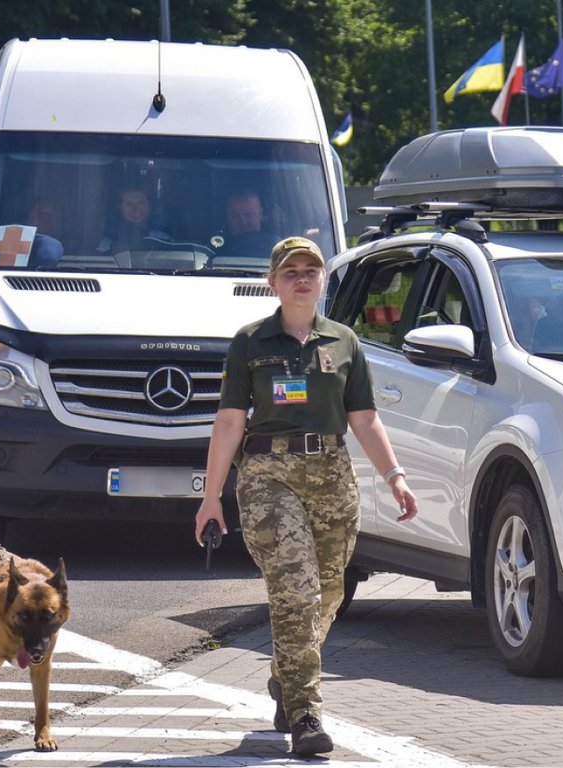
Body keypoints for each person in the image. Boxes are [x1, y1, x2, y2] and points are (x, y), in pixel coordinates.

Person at [194, 236, 417, 757]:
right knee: (295, 591)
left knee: (329, 593)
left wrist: (395, 476)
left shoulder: (344, 341)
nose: (301, 278)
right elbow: (229, 421)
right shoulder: (250, 342)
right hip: (268, 473)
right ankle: (305, 713)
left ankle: (284, 676)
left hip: (332, 474)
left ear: (322, 280)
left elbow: (364, 417)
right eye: (289, 270)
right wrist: (211, 497)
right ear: (273, 282)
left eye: (310, 270)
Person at [96, 187, 172, 255]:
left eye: (141, 203)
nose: (136, 208)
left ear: (149, 206)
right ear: (121, 208)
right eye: (129, 204)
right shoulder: (108, 244)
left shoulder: (163, 239)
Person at [210, 189, 279, 263]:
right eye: (235, 216)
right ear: (227, 217)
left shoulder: (277, 246)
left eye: (249, 215)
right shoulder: (216, 248)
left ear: (261, 214)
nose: (243, 222)